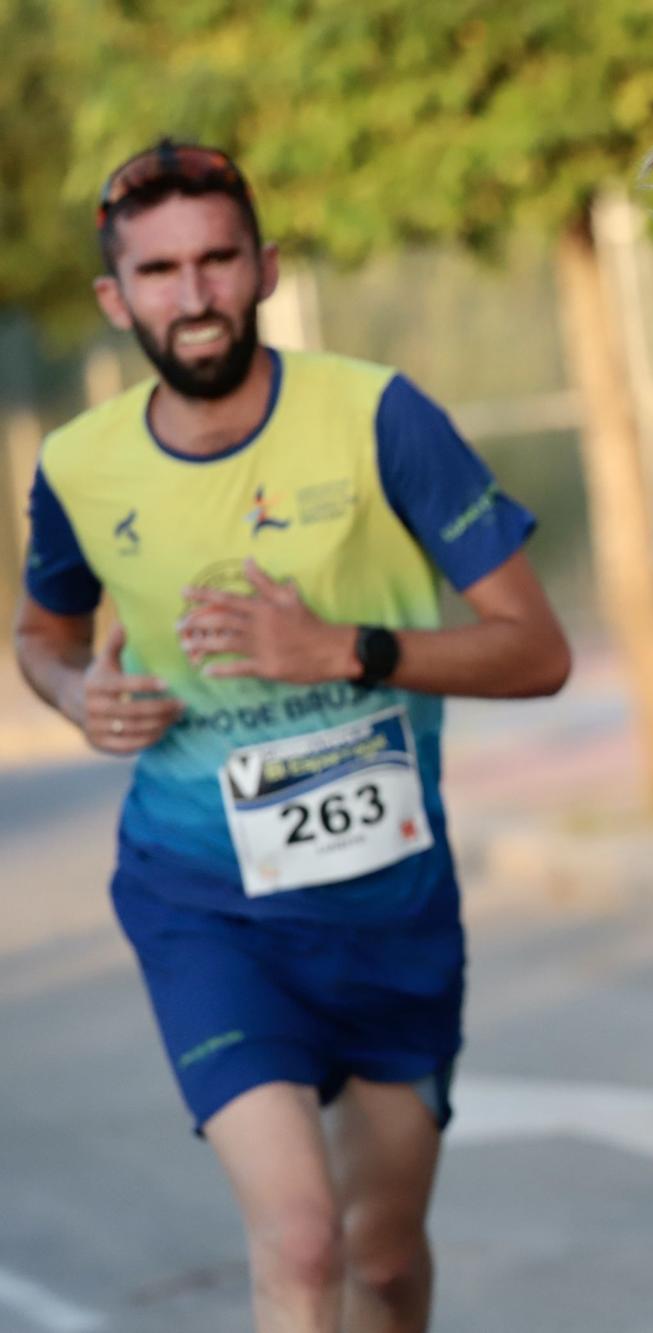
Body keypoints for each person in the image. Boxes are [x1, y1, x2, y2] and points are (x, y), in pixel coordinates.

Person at [12, 140, 570, 1332]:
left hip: (389, 907)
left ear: (263, 268)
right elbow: (43, 633)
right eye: (159, 270)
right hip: (204, 905)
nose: (195, 291)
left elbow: (537, 649)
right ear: (117, 299)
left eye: (218, 258)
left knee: (379, 1256)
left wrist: (345, 649)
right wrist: (74, 698)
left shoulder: (379, 417)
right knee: (302, 1242)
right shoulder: (78, 464)